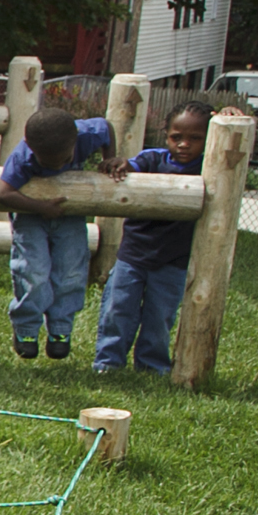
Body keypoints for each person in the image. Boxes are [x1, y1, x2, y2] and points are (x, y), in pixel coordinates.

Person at [0, 106, 122, 360]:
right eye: (48, 163)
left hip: (69, 213)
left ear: (75, 142)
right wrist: (41, 208)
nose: (58, 166)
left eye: (64, 159)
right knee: (34, 271)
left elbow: (107, 128)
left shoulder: (86, 134)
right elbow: (3, 193)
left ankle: (61, 329)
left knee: (71, 271)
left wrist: (110, 157)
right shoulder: (22, 157)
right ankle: (26, 328)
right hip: (31, 216)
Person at [94, 103, 209, 376]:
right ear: (165, 134)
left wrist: (229, 115)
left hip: (174, 259)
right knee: (118, 308)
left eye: (195, 139)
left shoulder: (208, 167)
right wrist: (123, 164)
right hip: (134, 253)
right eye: (176, 137)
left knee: (160, 317)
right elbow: (132, 164)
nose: (184, 144)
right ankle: (108, 363)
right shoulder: (152, 159)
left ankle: (152, 366)